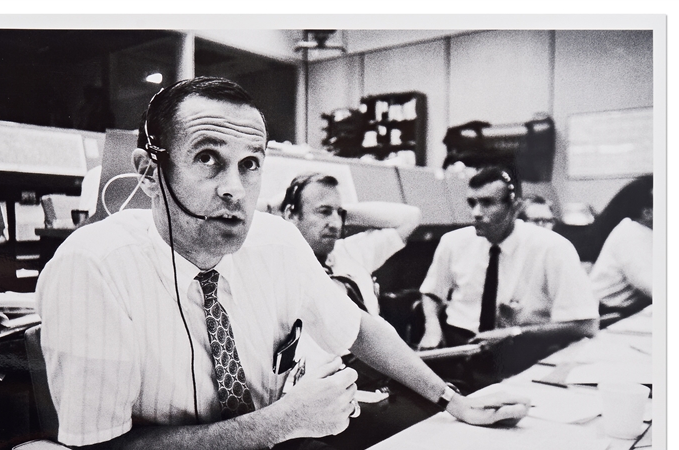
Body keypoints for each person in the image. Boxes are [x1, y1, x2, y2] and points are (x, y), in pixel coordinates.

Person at [36, 77, 528, 450]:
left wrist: (451, 399)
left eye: (250, 164)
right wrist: (279, 422)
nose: (234, 188)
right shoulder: (91, 266)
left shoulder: (275, 242)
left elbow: (356, 328)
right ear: (149, 172)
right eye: (208, 158)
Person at [418, 166, 599, 350]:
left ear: (516, 207)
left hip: (521, 347)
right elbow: (432, 291)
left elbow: (587, 325)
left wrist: (515, 334)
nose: (476, 213)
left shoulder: (553, 248)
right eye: (472, 203)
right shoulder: (453, 242)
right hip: (461, 344)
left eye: (487, 203)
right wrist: (431, 325)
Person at [280, 172, 420, 315]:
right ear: (291, 215)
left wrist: (343, 212)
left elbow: (410, 218)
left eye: (339, 214)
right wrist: (274, 208)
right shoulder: (280, 270)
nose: (336, 224)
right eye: (324, 211)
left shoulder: (350, 252)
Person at [589, 177, 653, 316]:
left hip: (628, 310)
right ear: (647, 213)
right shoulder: (631, 233)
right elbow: (653, 286)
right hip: (606, 313)